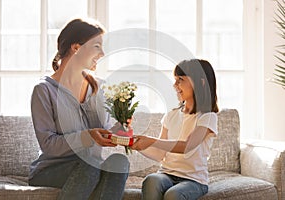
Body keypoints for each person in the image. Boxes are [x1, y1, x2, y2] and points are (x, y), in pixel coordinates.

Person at [29, 18, 129, 200]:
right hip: (52, 170)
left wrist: (118, 131)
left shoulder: (100, 87)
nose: (102, 53)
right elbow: (48, 145)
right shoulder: (44, 90)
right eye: (97, 46)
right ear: (76, 48)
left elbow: (103, 133)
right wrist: (88, 136)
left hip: (92, 167)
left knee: (119, 162)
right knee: (90, 165)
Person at [130, 59, 219, 200]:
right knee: (151, 180)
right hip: (166, 174)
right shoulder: (171, 115)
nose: (175, 85)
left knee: (174, 194)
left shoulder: (208, 117)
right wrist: (136, 145)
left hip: (194, 180)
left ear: (201, 83)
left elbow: (187, 147)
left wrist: (151, 141)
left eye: (180, 80)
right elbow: (160, 154)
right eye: (175, 80)